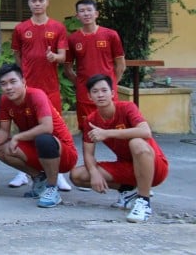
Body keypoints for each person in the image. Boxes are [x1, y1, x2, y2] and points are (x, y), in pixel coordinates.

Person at [69, 74, 168, 223]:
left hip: (154, 166)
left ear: (112, 93)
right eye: (95, 92)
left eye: (104, 90)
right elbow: (88, 153)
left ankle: (144, 201)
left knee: (136, 143)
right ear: (89, 96)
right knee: (77, 175)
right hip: (128, 167)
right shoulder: (91, 120)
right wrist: (94, 172)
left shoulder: (127, 108)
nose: (100, 95)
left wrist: (106, 133)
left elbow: (145, 131)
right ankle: (128, 191)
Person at [0, 64, 78, 209]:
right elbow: (4, 131)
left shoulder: (36, 95)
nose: (9, 87)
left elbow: (47, 127)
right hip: (35, 148)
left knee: (43, 139)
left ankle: (52, 188)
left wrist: (18, 137)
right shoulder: (5, 101)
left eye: (13, 82)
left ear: (23, 81)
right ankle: (39, 179)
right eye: (4, 84)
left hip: (62, 152)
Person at [9, 0, 69, 190]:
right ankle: (24, 172)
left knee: (53, 132)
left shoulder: (58, 27)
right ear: (29, 3)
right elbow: (18, 55)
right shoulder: (20, 28)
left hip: (50, 89)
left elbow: (63, 56)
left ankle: (58, 172)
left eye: (40, 0)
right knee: (25, 128)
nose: (37, 4)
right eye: (33, 0)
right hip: (27, 89)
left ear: (47, 2)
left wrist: (55, 57)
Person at [64, 0, 126, 132]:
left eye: (89, 10)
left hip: (107, 93)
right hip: (85, 94)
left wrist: (112, 84)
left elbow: (120, 65)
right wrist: (81, 84)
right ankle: (88, 154)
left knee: (114, 129)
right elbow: (68, 69)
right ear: (77, 16)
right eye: (82, 11)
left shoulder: (111, 35)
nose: (86, 14)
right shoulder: (73, 39)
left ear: (96, 13)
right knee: (87, 130)